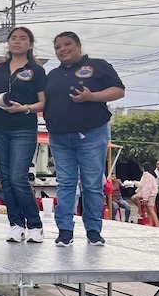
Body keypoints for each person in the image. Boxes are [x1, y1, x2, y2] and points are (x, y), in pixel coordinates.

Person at [44, 31, 125, 246]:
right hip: (60, 137)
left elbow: (119, 91)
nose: (62, 49)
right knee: (65, 183)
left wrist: (92, 97)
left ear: (79, 45)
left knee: (91, 184)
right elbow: (43, 101)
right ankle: (64, 231)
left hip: (92, 134)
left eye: (67, 44)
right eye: (58, 46)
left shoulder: (98, 65)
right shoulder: (51, 75)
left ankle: (93, 231)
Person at [0, 26, 47, 243]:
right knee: (6, 179)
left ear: (30, 44)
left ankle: (35, 225)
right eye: (13, 38)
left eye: (23, 39)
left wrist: (24, 108)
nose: (17, 42)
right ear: (8, 43)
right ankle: (16, 224)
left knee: (18, 178)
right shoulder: (0, 69)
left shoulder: (36, 70)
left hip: (24, 127)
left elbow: (43, 102)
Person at [132, 162, 159, 226]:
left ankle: (157, 225)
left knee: (151, 210)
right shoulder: (150, 175)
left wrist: (145, 198)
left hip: (150, 195)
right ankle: (150, 223)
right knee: (149, 210)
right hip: (151, 194)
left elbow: (147, 187)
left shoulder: (147, 176)